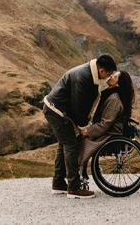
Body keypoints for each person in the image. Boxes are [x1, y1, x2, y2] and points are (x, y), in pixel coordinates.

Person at [43, 54, 117, 198]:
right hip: (56, 111)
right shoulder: (83, 77)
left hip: (57, 109)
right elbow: (79, 108)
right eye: (109, 74)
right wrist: (84, 128)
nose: (109, 77)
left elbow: (94, 91)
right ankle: (74, 188)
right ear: (102, 70)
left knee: (64, 144)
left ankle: (58, 183)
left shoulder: (91, 73)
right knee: (71, 144)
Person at [79, 70, 135, 170]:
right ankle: (80, 171)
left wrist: (88, 131)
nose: (111, 76)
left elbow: (105, 124)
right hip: (108, 131)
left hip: (108, 134)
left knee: (78, 140)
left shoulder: (114, 99)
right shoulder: (112, 95)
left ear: (118, 84)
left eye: (115, 76)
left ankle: (76, 169)